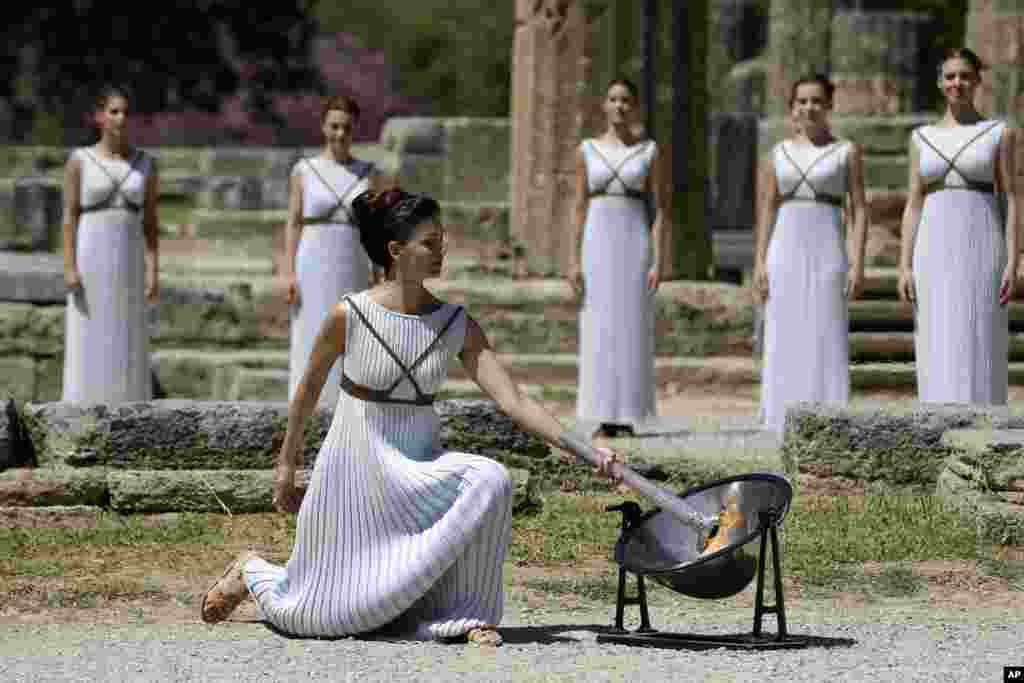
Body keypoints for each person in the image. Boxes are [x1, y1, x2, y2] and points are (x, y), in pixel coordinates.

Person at [201, 188, 621, 646]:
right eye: (429, 242)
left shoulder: (453, 322)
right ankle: (254, 572)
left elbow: (515, 400)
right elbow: (307, 392)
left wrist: (586, 449)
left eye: (442, 239)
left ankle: (466, 616)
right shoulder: (351, 314)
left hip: (415, 470)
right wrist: (286, 465)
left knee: (491, 480)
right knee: (318, 620)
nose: (442, 250)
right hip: (353, 472)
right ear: (396, 251)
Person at [897, 48, 1020, 404]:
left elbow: (1012, 198)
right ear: (940, 82)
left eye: (965, 76)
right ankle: (935, 423)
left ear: (977, 80)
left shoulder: (999, 132)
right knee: (936, 332)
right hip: (932, 243)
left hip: (981, 239)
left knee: (979, 330)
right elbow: (914, 200)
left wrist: (1014, 260)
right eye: (950, 76)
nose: (957, 83)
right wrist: (904, 264)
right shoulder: (920, 137)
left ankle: (983, 426)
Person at [753, 74, 868, 434]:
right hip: (785, 247)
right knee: (784, 328)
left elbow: (860, 209)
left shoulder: (846, 152)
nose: (809, 107)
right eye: (802, 101)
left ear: (829, 105)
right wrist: (758, 261)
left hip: (827, 248)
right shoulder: (777, 154)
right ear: (792, 108)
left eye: (816, 100)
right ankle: (780, 414)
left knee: (826, 327)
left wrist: (857, 262)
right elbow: (768, 208)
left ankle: (828, 416)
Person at [571, 77, 670, 443]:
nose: (619, 106)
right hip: (597, 239)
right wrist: (573, 260)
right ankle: (600, 411)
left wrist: (659, 260)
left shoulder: (649, 151)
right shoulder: (587, 150)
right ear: (604, 104)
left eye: (626, 100)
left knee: (631, 324)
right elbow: (578, 207)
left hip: (633, 240)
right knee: (597, 323)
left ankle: (628, 411)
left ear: (635, 106)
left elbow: (659, 209)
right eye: (613, 99)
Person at [61, 84, 159, 404]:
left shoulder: (145, 163)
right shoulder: (80, 160)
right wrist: (69, 266)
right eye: (114, 111)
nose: (121, 118)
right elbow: (69, 216)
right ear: (99, 117)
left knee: (127, 328)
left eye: (126, 112)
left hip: (128, 253)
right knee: (90, 327)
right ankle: (83, 401)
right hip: (91, 251)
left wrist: (153, 269)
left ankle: (129, 401)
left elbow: (151, 223)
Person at [286, 95, 382, 407]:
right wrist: (289, 272)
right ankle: (306, 408)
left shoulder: (368, 173)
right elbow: (293, 222)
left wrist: (378, 271)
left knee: (351, 333)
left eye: (347, 128)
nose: (340, 134)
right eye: (334, 126)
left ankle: (348, 410)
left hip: (352, 259)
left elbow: (375, 227)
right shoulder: (305, 170)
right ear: (323, 127)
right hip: (312, 258)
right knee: (311, 331)